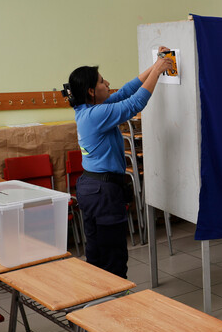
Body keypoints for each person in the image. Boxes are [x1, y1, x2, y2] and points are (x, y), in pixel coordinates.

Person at [63, 49, 174, 278]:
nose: (108, 84)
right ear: (92, 91)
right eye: (103, 82)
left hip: (93, 188)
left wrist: (155, 66)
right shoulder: (95, 116)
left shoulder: (88, 109)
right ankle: (113, 304)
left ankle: (98, 301)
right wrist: (159, 70)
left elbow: (125, 91)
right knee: (113, 255)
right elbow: (134, 104)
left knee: (97, 253)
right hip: (103, 192)